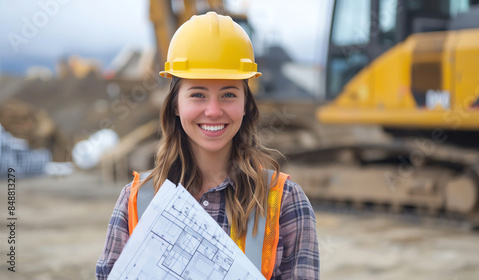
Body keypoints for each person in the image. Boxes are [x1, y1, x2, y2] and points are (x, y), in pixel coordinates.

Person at [96, 11, 319, 280]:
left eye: (228, 94)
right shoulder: (136, 201)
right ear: (176, 105)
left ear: (246, 105)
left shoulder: (284, 202)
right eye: (198, 94)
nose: (213, 111)